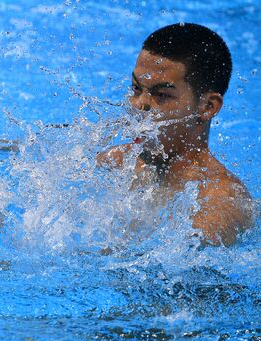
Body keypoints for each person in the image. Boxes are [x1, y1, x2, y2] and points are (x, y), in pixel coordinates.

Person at [97, 23, 253, 246]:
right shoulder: (118, 160)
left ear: (208, 106)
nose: (139, 105)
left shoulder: (220, 202)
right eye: (136, 88)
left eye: (161, 95)